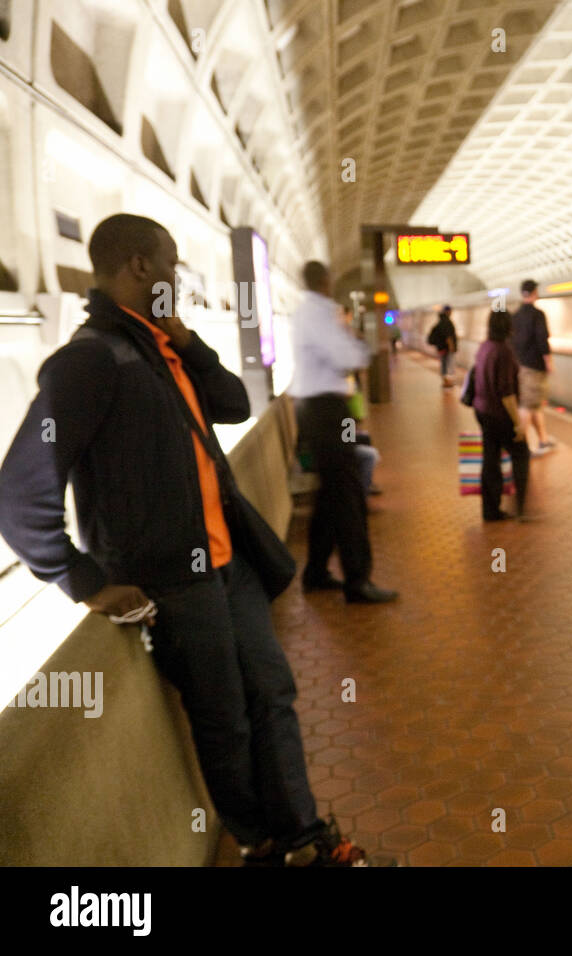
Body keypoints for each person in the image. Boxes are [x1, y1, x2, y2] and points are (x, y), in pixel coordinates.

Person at [0, 213, 366, 865]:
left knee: (272, 693)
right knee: (225, 722)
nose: (180, 275)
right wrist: (83, 581)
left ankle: (304, 837)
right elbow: (20, 494)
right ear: (140, 266)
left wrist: (186, 338)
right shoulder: (91, 360)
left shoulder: (160, 349)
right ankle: (263, 845)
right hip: (175, 583)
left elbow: (234, 403)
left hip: (229, 567)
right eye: (172, 262)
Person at [288, 262, 397, 604]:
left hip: (318, 411)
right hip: (328, 412)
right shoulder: (320, 313)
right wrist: (358, 345)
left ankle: (316, 572)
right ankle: (358, 580)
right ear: (325, 280)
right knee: (348, 493)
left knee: (331, 493)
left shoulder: (303, 312)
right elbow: (348, 357)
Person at [472, 310, 532, 522]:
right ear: (508, 327)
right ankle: (521, 508)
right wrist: (518, 424)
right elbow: (507, 393)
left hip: (482, 410)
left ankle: (490, 510)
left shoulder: (484, 346)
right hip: (499, 414)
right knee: (521, 453)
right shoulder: (503, 351)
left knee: (490, 459)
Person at [509, 280, 555, 454]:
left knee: (534, 405)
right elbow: (542, 340)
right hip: (534, 367)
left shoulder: (515, 316)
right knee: (527, 406)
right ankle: (521, 448)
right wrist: (548, 362)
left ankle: (543, 440)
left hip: (519, 365)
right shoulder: (538, 315)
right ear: (535, 293)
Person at [426, 304, 458, 388]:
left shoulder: (440, 322)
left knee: (444, 363)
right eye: (450, 311)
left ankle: (446, 381)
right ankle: (447, 382)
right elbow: (448, 336)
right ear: (448, 311)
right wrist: (451, 347)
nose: (451, 313)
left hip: (441, 347)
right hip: (446, 348)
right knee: (447, 364)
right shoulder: (446, 322)